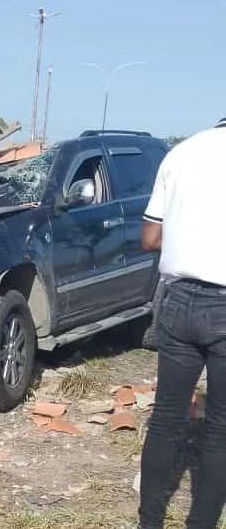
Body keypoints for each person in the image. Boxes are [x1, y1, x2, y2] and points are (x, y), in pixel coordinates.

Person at [139, 116, 226, 528]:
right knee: (220, 429)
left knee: (166, 418)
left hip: (178, 300)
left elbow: (150, 239)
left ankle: (149, 521)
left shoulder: (181, 152)